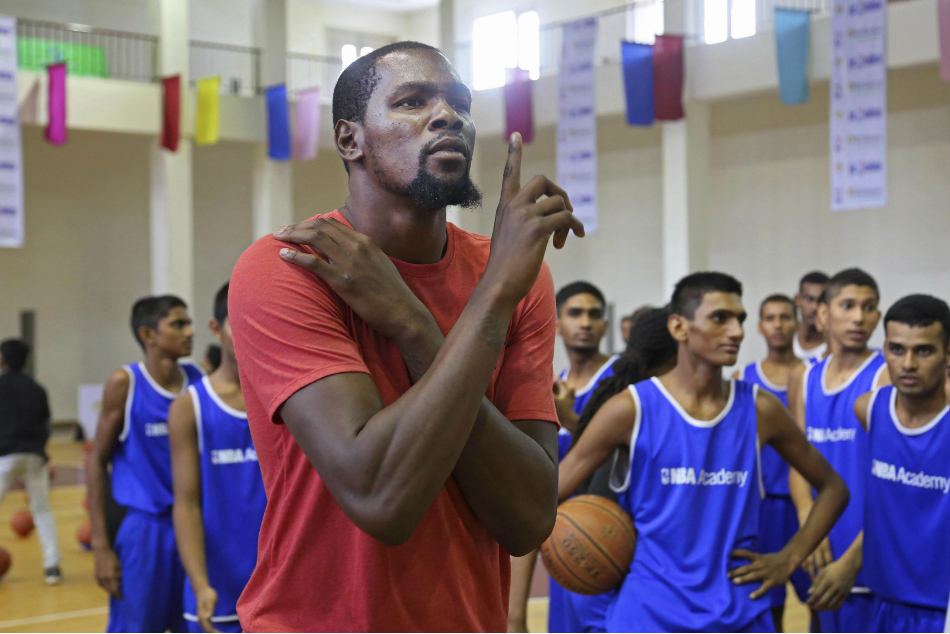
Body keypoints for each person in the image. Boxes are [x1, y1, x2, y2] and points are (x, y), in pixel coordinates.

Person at [228, 41, 584, 632]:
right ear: (350, 140)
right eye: (413, 101)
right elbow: (380, 499)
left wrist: (417, 324)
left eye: (460, 104)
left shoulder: (512, 277)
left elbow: (527, 521)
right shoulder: (290, 265)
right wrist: (493, 295)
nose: (448, 117)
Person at [557, 272, 848, 632]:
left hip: (738, 612)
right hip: (649, 613)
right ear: (679, 327)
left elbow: (834, 488)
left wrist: (788, 559)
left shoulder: (760, 409)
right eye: (720, 318)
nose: (736, 331)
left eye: (740, 319)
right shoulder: (631, 408)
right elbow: (551, 493)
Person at [86, 295, 203, 633]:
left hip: (196, 526)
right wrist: (100, 545)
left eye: (189, 323)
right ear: (148, 334)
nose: (189, 332)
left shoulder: (199, 380)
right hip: (146, 531)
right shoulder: (125, 383)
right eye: (178, 324)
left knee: (198, 624)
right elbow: (96, 460)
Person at [510, 281, 619, 633]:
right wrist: (516, 615)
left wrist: (570, 419)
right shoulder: (548, 387)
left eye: (594, 314)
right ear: (557, 323)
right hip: (563, 549)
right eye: (575, 313)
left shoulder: (621, 381)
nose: (585, 322)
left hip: (611, 546)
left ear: (605, 325)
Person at [787, 267, 889, 632]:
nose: (859, 317)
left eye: (868, 307)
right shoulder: (804, 376)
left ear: (878, 316)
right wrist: (809, 524)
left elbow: (894, 485)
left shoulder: (885, 376)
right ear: (822, 313)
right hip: (822, 544)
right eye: (848, 305)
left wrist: (854, 558)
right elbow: (798, 462)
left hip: (869, 550)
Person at [170, 283, 265, 633]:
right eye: (239, 323)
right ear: (215, 328)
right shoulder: (190, 406)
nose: (251, 334)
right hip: (220, 584)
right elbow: (187, 504)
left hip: (281, 581)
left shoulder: (290, 400)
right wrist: (200, 584)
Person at [852, 295, 950, 632]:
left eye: (923, 351)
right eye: (897, 349)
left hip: (940, 609)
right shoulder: (868, 408)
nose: (908, 363)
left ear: (947, 355)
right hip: (882, 601)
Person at [731, 294, 811, 630]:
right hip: (762, 508)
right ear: (760, 326)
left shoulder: (812, 375)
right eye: (770, 318)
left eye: (785, 317)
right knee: (767, 601)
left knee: (820, 597)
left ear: (797, 323)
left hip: (807, 504)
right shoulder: (742, 378)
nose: (778, 325)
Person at [0, 338, 61, 584]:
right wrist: (42, 451)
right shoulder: (37, 389)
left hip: (5, 455)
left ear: (2, 359)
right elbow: (47, 425)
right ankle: (52, 567)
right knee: (42, 510)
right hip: (35, 455)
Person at [793, 271, 830, 365]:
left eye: (821, 300)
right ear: (797, 300)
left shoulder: (837, 345)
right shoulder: (784, 337)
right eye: (809, 299)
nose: (814, 307)